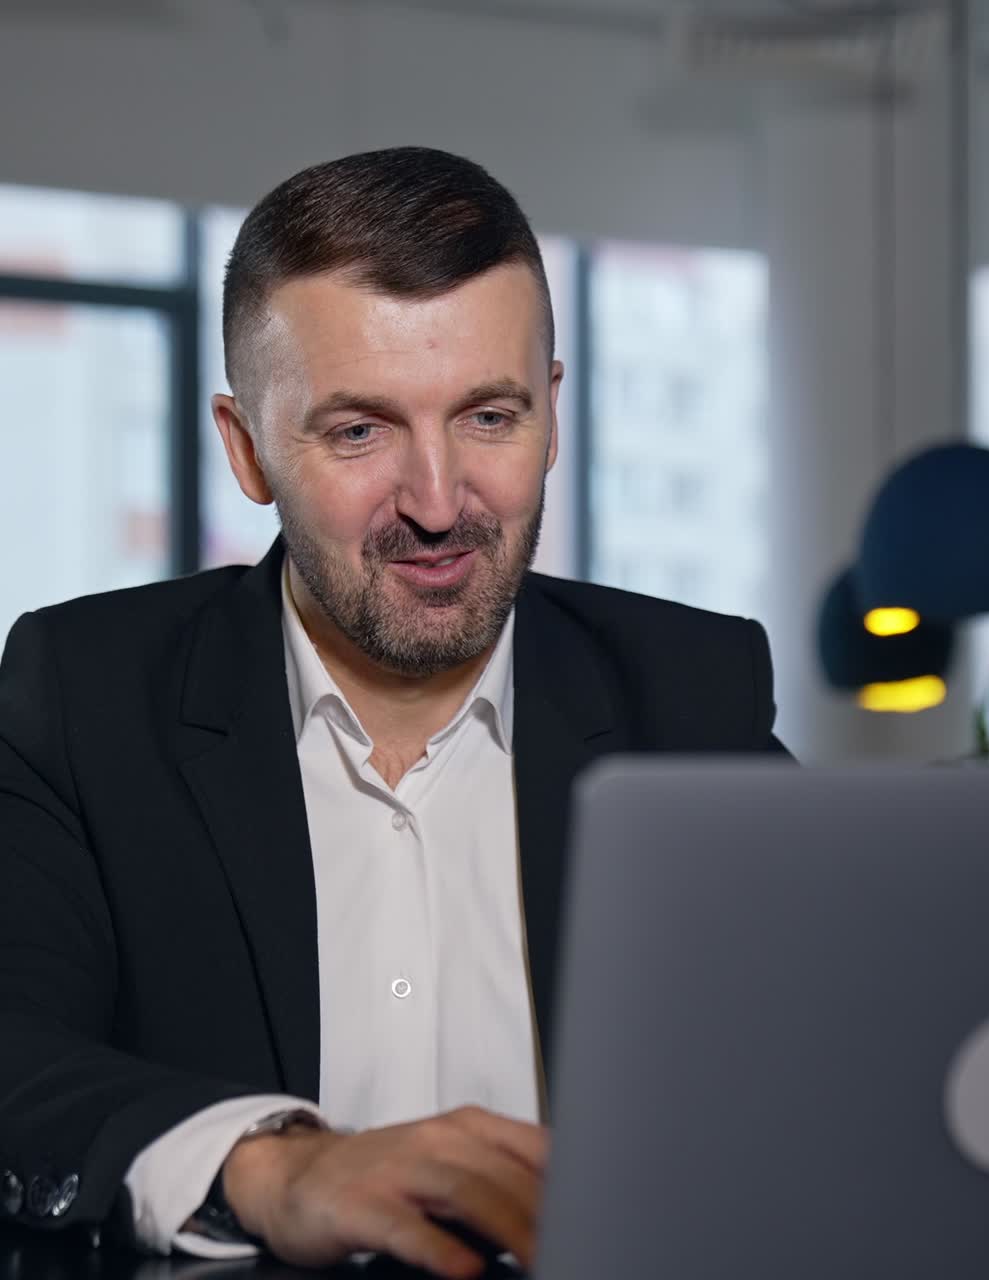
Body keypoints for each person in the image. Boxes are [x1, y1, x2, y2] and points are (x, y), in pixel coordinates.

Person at [0, 147, 785, 1277]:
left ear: (551, 414)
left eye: (487, 416)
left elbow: (835, 1051)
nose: (435, 501)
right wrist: (274, 1166)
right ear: (246, 447)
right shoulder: (86, 691)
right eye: (358, 430)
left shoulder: (690, 693)